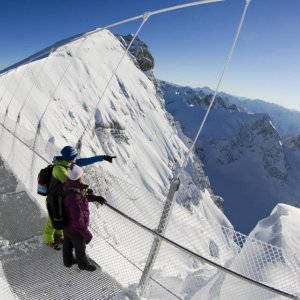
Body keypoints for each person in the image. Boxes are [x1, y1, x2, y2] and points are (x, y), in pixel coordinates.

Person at [44, 145, 115, 249]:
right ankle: (49, 241)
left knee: (61, 217)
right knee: (52, 220)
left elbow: (86, 161)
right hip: (53, 199)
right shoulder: (59, 169)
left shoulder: (69, 164)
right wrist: (85, 190)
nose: (76, 159)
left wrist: (103, 157)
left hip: (62, 197)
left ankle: (59, 236)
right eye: (75, 157)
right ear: (70, 158)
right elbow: (71, 184)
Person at [62, 164, 106, 271]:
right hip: (76, 230)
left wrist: (95, 198)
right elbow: (78, 221)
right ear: (78, 178)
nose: (83, 177)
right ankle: (83, 265)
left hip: (67, 225)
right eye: (81, 175)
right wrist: (87, 235)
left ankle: (68, 262)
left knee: (67, 245)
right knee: (80, 249)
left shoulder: (69, 187)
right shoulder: (75, 197)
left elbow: (83, 197)